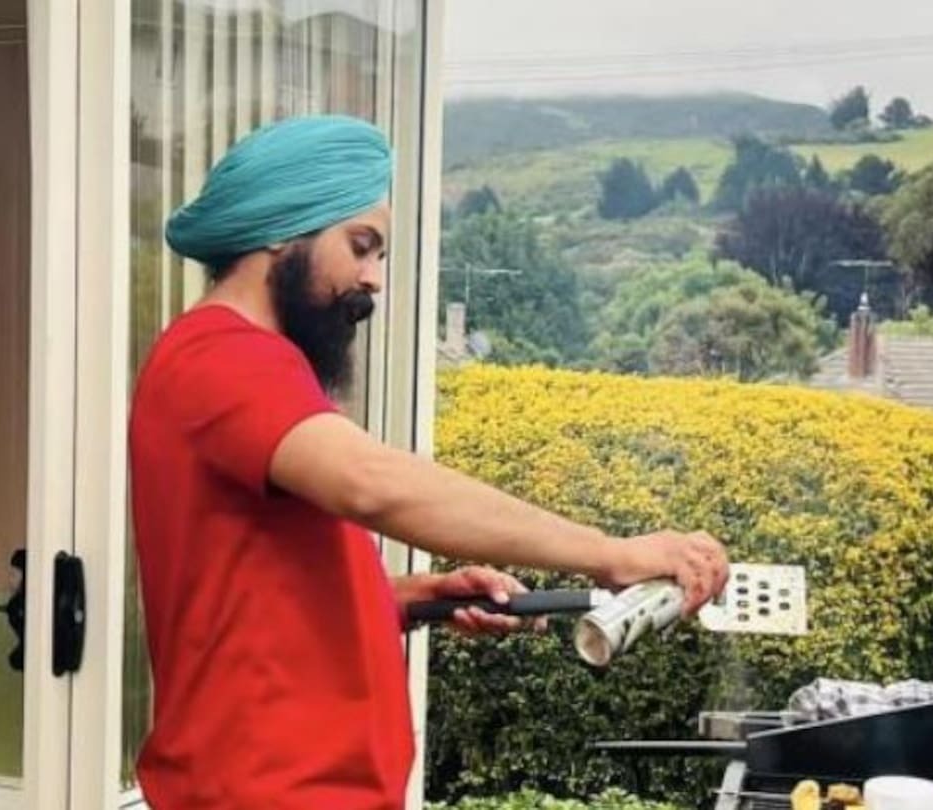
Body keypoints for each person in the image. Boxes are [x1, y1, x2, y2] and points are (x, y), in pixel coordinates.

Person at [128, 115, 730, 810]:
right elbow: (373, 483)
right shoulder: (224, 356)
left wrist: (408, 599)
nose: (374, 280)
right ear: (279, 227)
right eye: (362, 246)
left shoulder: (245, 366)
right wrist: (608, 553)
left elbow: (247, 587)